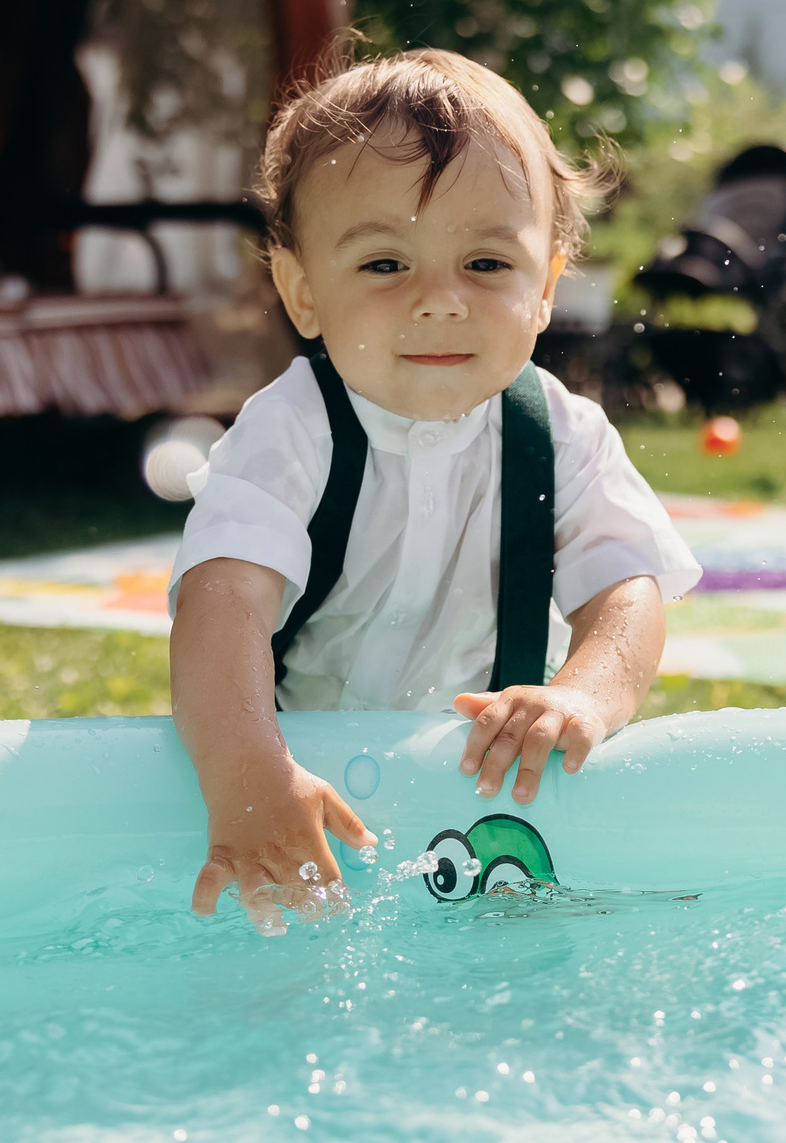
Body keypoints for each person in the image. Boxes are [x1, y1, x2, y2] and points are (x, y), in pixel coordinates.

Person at [170, 48, 699, 931]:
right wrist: (246, 774)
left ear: (546, 288)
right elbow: (221, 606)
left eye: (487, 265)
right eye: (385, 265)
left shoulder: (561, 435)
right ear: (302, 291)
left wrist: (582, 694)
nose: (441, 301)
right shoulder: (290, 430)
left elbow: (627, 593)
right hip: (301, 776)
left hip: (479, 797)